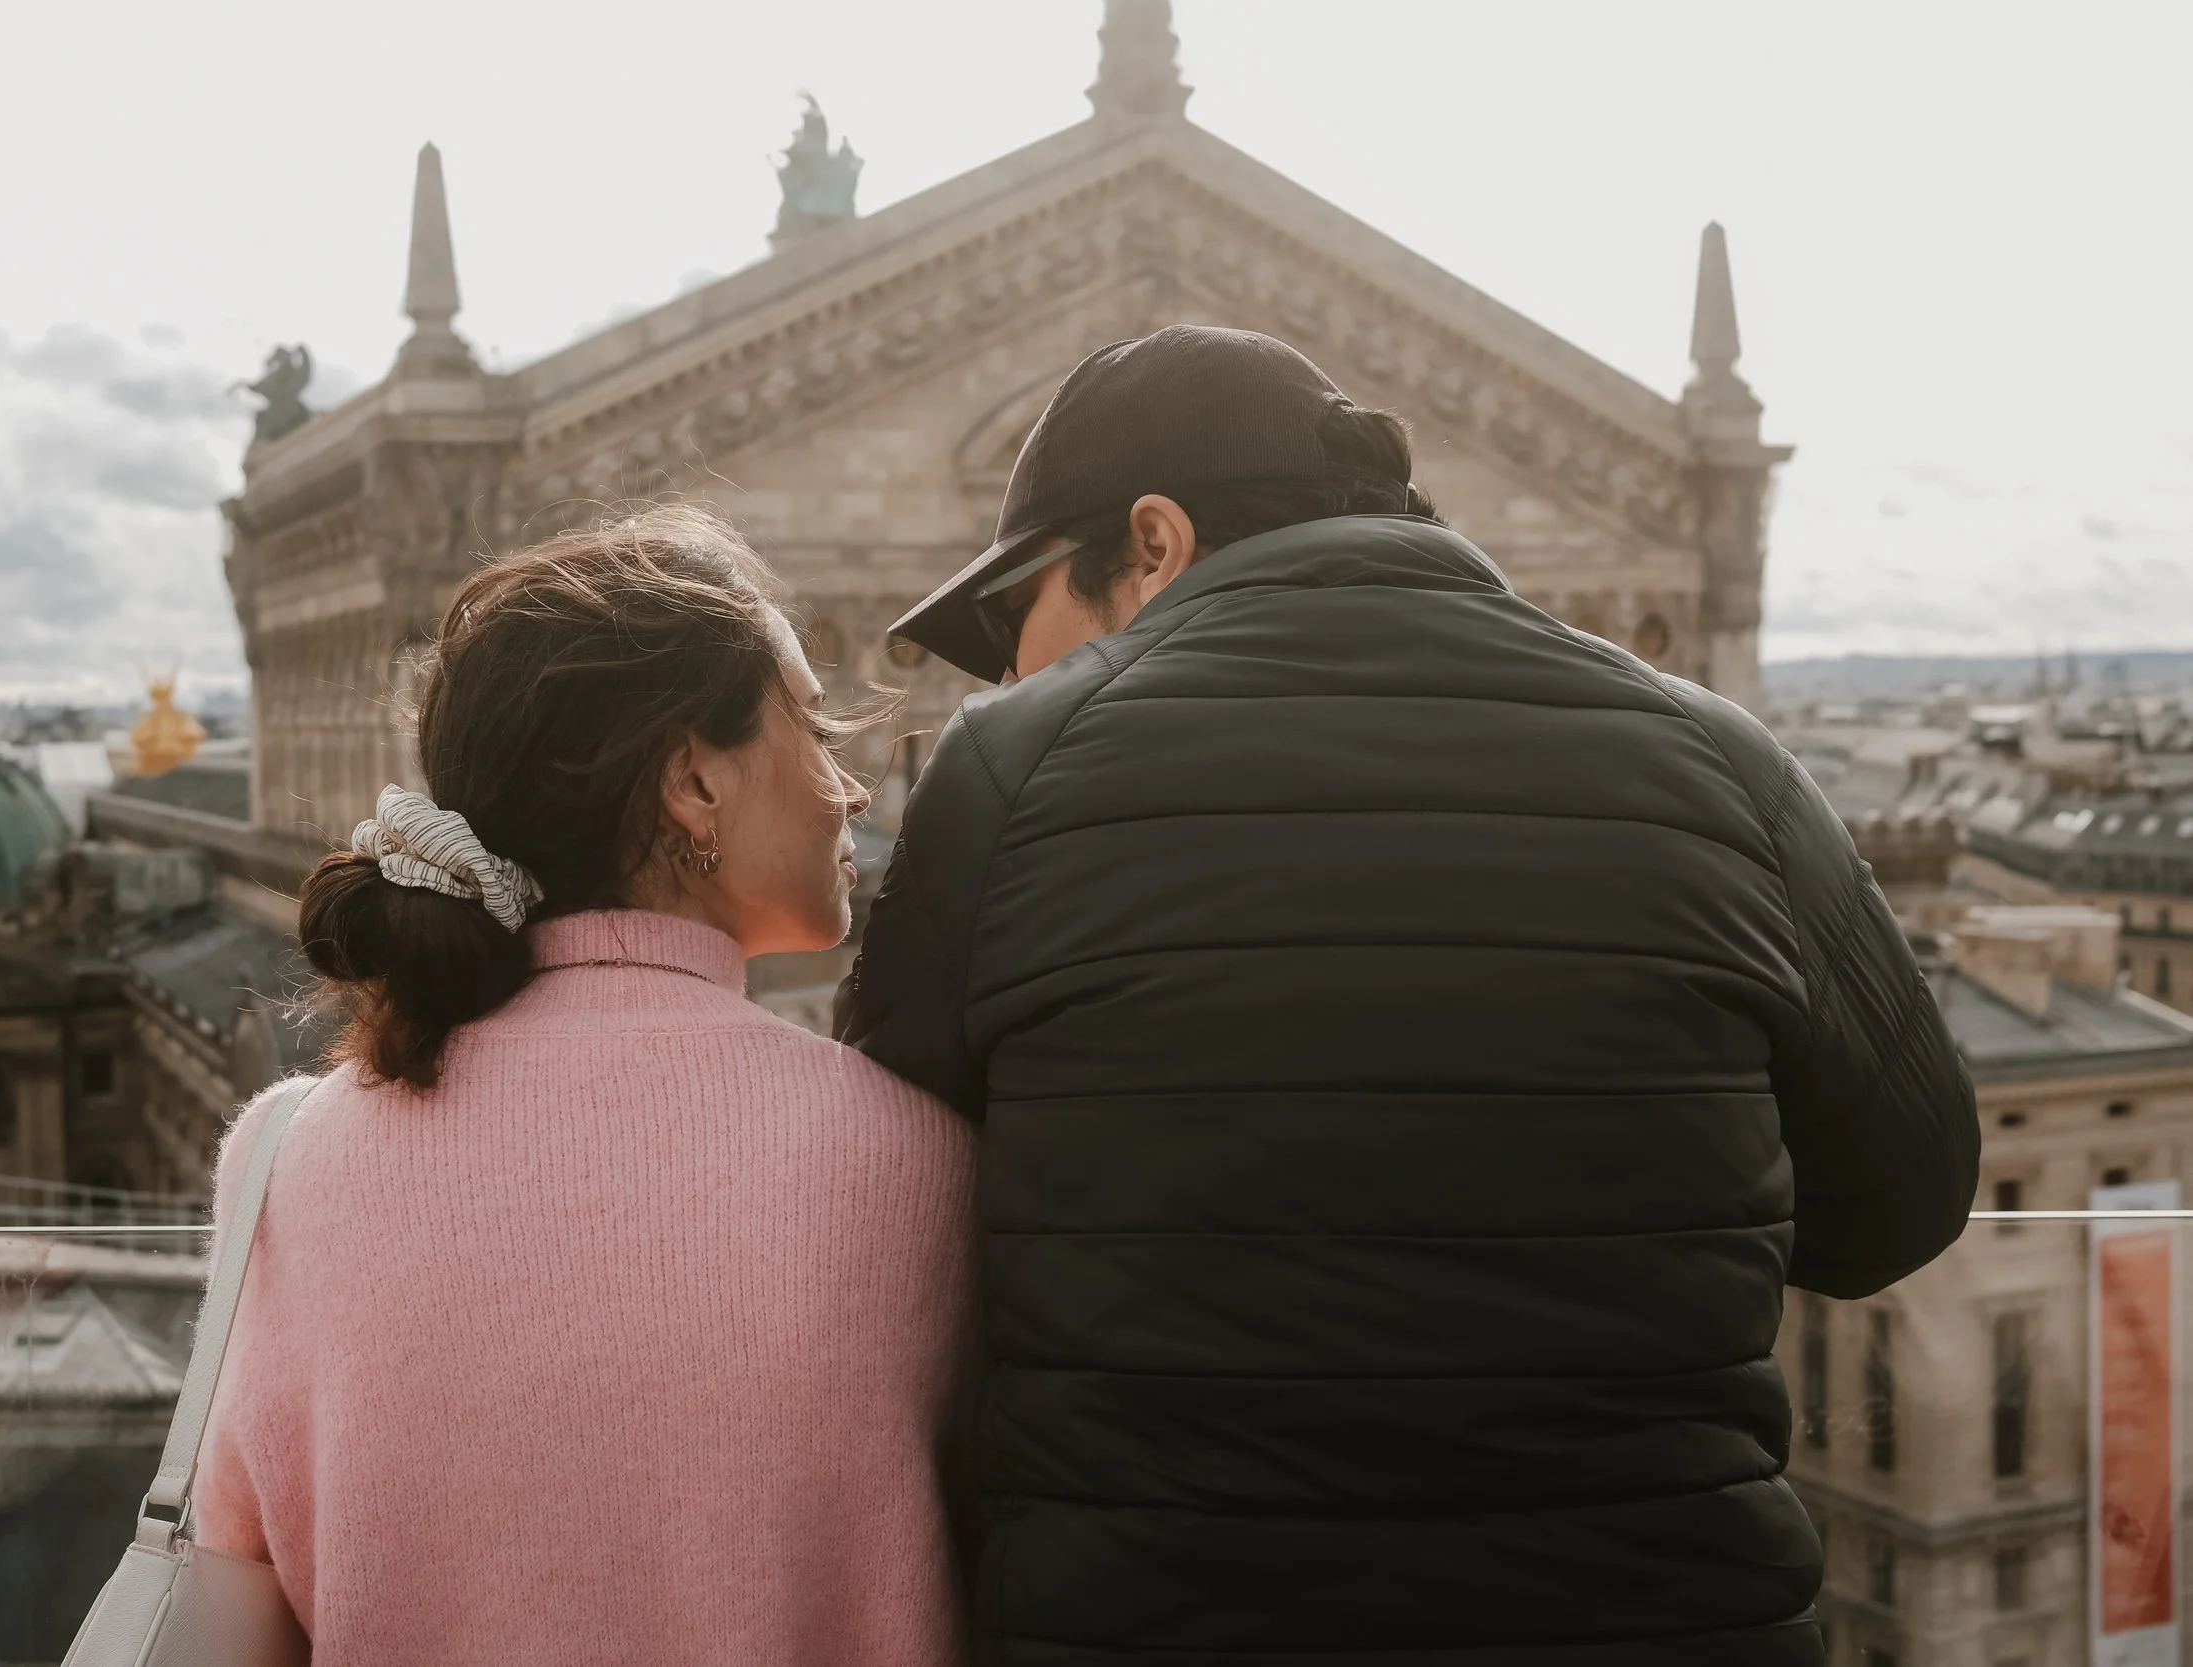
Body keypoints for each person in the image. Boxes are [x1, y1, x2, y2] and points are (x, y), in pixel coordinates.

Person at [839, 325, 1978, 1665]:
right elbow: (1906, 1197)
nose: (1009, 672)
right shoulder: (1726, 757)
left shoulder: (1010, 765)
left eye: (1014, 616)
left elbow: (884, 1205)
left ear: (1152, 544)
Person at [192, 506, 974, 1667]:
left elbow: (234, 1578)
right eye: (812, 727)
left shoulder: (286, 1163)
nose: (850, 787)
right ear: (693, 782)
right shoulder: (917, 1157)